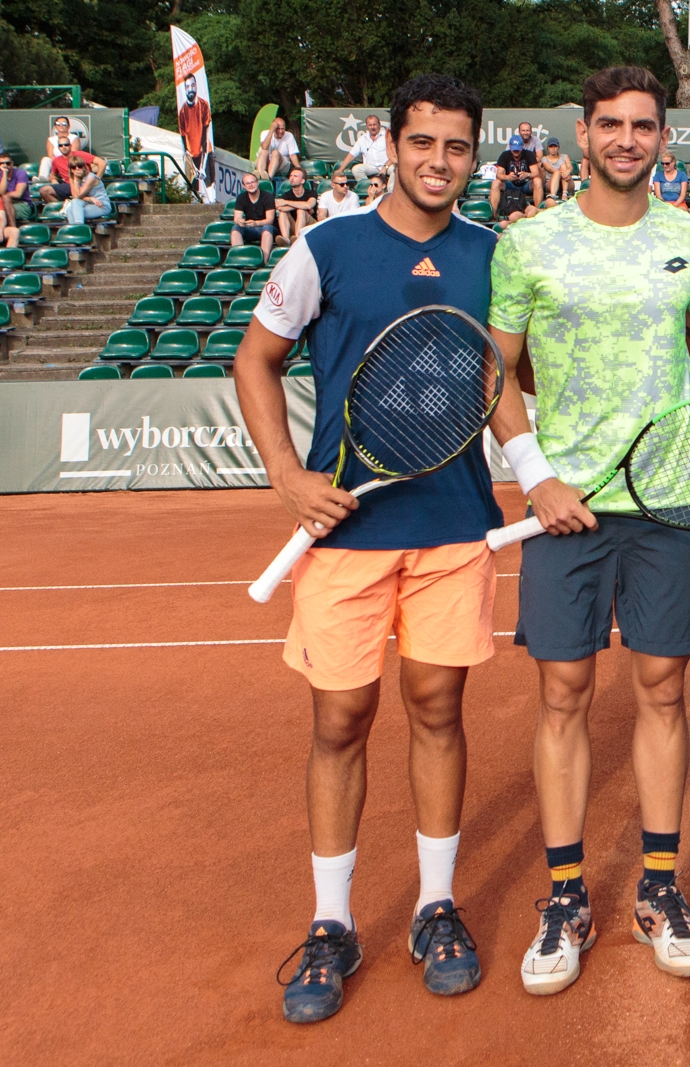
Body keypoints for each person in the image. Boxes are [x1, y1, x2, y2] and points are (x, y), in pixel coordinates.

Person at [234, 72, 498, 1026]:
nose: (439, 161)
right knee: (340, 718)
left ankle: (435, 904)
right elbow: (254, 357)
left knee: (437, 705)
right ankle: (333, 921)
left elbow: (507, 377)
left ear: (474, 153)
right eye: (423, 142)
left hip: (453, 525)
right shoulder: (326, 246)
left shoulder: (491, 255)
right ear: (393, 143)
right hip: (345, 531)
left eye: (457, 146)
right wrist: (285, 476)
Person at [484, 65, 690, 997]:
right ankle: (568, 894)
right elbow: (496, 370)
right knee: (564, 692)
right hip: (564, 506)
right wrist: (536, 478)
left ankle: (660, 887)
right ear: (582, 134)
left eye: (644, 126)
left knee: (663, 690)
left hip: (669, 498)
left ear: (665, 138)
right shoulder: (527, 242)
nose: (627, 139)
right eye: (610, 125)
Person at [38, 138, 104, 203]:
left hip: (84, 183)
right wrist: (54, 180)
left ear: (70, 145)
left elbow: (102, 163)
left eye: (66, 144)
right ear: (58, 148)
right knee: (44, 191)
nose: (63, 147)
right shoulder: (56, 160)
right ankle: (62, 209)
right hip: (68, 185)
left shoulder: (80, 154)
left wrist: (97, 178)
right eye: (61, 145)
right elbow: (53, 175)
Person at [493, 134, 541, 220]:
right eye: (514, 149)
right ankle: (494, 214)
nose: (516, 152)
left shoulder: (529, 154)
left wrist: (527, 174)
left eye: (518, 149)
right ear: (510, 147)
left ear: (522, 146)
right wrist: (508, 177)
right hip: (510, 184)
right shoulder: (505, 155)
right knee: (496, 183)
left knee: (537, 181)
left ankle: (537, 212)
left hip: (526, 184)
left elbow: (536, 173)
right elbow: (498, 175)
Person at [176, 76, 213, 186]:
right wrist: (190, 163)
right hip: (191, 157)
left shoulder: (204, 105)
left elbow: (205, 138)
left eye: (192, 85)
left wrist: (202, 166)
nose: (190, 89)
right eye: (187, 86)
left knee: (209, 189)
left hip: (205, 154)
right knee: (192, 191)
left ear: (196, 85)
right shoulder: (182, 112)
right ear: (185, 89)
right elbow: (184, 143)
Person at [232, 172, 277, 255]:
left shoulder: (268, 196)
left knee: (267, 228)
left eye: (252, 182)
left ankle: (263, 261)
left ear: (257, 183)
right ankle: (239, 258)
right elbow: (236, 218)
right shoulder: (241, 197)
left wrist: (256, 223)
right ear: (244, 186)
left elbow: (270, 220)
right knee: (236, 228)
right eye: (247, 183)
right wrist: (240, 221)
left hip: (267, 228)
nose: (250, 185)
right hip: (250, 228)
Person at [336, 115, 389, 185]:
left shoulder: (387, 136)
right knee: (356, 169)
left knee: (396, 170)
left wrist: (385, 167)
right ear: (367, 126)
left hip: (387, 165)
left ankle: (390, 192)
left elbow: (395, 154)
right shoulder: (362, 139)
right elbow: (352, 154)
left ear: (379, 124)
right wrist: (340, 169)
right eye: (370, 125)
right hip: (371, 166)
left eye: (374, 124)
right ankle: (369, 188)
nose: (372, 127)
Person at [62, 156, 109, 227]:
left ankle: (79, 227)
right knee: (69, 209)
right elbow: (75, 197)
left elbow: (78, 195)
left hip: (101, 205)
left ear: (84, 167)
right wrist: (90, 199)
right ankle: (75, 232)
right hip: (88, 203)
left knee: (75, 211)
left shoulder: (91, 178)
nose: (77, 169)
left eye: (80, 166)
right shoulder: (73, 178)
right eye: (74, 167)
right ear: (71, 170)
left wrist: (76, 180)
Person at [277, 166, 320, 242]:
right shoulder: (286, 195)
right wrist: (301, 205)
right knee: (283, 212)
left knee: (301, 211)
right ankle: (286, 239)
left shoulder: (311, 193)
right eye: (291, 176)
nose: (292, 178)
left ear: (302, 181)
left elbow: (309, 205)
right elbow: (280, 207)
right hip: (294, 225)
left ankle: (297, 239)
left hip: (311, 226)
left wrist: (287, 203)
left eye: (295, 176)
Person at [0, 152, 33, 227]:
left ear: (12, 163)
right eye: (1, 163)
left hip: (23, 204)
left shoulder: (21, 173)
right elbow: (1, 191)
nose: (5, 166)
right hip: (5, 204)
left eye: (7, 163)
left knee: (5, 198)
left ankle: (13, 227)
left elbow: (18, 194)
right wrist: (4, 174)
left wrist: (4, 195)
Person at [539, 138, 574, 203]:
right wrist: (561, 173)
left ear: (558, 147)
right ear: (548, 148)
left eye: (555, 146)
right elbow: (550, 169)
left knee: (563, 166)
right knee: (557, 172)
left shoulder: (564, 156)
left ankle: (564, 194)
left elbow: (570, 167)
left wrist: (567, 172)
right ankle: (553, 194)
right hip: (551, 183)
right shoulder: (544, 159)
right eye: (551, 146)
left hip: (565, 182)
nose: (553, 148)